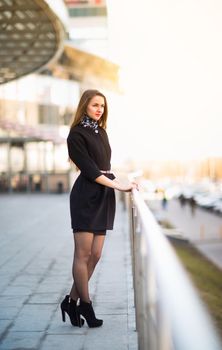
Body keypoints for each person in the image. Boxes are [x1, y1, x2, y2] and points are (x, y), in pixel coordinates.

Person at [60, 89, 138, 328]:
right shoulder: (75, 134)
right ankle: (86, 305)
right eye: (95, 105)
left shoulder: (102, 132)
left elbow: (105, 167)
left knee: (95, 255)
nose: (99, 109)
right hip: (86, 196)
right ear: (85, 105)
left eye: (102, 106)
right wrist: (118, 186)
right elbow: (91, 171)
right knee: (82, 255)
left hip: (103, 196)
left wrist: (124, 182)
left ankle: (70, 301)